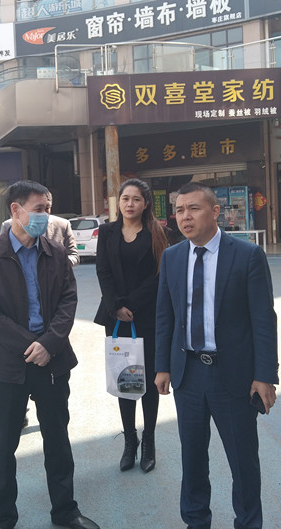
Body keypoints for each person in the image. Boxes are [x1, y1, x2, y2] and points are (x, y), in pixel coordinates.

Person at [0, 180, 99, 529]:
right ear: (16, 210)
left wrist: (49, 344)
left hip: (52, 361)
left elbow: (68, 302)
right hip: (5, 365)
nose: (46, 215)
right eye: (39, 209)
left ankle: (65, 511)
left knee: (57, 440)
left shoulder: (55, 254)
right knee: (3, 445)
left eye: (48, 208)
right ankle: (4, 518)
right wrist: (31, 345)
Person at [154, 181, 279, 529]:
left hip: (233, 375)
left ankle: (248, 522)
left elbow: (263, 320)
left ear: (215, 212)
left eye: (193, 208)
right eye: (179, 210)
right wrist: (162, 366)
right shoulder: (172, 257)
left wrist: (265, 375)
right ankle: (196, 520)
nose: (185, 217)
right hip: (188, 374)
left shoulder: (247, 255)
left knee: (242, 460)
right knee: (192, 458)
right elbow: (165, 316)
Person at [94, 178, 168, 473]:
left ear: (145, 203)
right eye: (125, 198)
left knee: (148, 382)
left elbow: (159, 275)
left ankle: (149, 440)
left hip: (145, 317)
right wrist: (116, 306)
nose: (130, 204)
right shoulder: (107, 232)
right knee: (125, 380)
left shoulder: (157, 233)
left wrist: (131, 305)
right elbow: (103, 271)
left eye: (136, 199)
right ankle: (130, 441)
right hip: (116, 318)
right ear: (119, 202)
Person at [0, 192, 80, 266]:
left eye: (47, 208)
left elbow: (74, 256)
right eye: (38, 209)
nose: (43, 213)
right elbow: (1, 254)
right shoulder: (9, 225)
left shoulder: (62, 225)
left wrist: (57, 262)